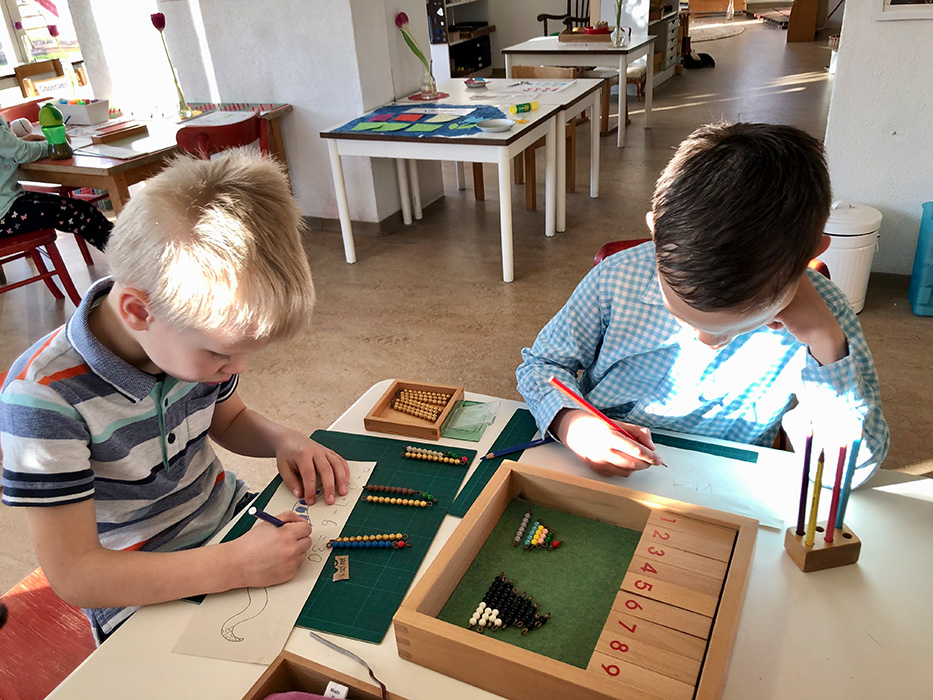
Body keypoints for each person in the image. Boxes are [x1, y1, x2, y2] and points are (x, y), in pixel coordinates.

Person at [0, 150, 349, 643]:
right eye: (221, 353)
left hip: (231, 526)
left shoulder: (181, 344)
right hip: (140, 592)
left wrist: (282, 440)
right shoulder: (42, 399)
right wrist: (233, 565)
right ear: (139, 312)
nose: (238, 368)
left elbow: (229, 420)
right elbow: (76, 575)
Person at [516, 121, 888, 488]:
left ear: (811, 255)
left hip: (727, 481)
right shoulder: (617, 278)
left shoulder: (825, 319)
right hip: (596, 464)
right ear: (656, 234)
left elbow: (846, 474)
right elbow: (542, 365)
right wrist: (571, 423)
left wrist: (825, 342)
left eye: (740, 325)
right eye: (681, 313)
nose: (707, 341)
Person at [0, 114, 111, 250]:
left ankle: (126, 252)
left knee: (86, 210)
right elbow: (21, 152)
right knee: (81, 216)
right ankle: (125, 256)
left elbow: (10, 148)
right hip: (4, 214)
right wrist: (55, 144)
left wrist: (21, 142)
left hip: (9, 203)